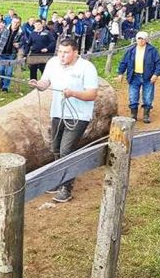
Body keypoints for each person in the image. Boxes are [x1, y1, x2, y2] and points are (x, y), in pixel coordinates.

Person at [29, 38, 98, 203]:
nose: (61, 55)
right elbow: (45, 83)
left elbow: (92, 94)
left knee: (66, 150)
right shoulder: (53, 63)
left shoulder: (86, 68)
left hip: (78, 115)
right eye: (60, 52)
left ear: (75, 53)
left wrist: (74, 93)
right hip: (58, 112)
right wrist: (37, 84)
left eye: (66, 52)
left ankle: (66, 188)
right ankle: (57, 178)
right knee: (56, 148)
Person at [117, 31, 160, 123]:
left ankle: (146, 115)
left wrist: (155, 75)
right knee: (133, 96)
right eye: (139, 38)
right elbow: (123, 62)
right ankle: (133, 114)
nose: (141, 40)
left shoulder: (152, 50)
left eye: (143, 39)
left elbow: (159, 64)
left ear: (146, 40)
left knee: (148, 97)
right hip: (134, 77)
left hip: (148, 77)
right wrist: (120, 73)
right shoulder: (130, 50)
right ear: (136, 39)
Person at [0, 17, 23, 92]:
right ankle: (2, 81)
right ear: (11, 21)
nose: (16, 24)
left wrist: (19, 44)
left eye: (17, 22)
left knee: (9, 72)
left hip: (11, 54)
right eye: (14, 22)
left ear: (20, 23)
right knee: (0, 70)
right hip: (1, 53)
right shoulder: (4, 29)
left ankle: (5, 87)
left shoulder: (21, 32)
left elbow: (24, 42)